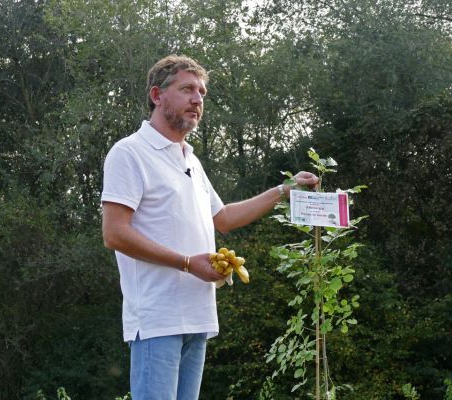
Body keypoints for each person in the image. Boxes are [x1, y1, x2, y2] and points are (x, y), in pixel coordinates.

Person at [101, 54, 318, 400]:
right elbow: (114, 233)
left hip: (198, 318)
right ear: (157, 95)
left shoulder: (190, 159)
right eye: (187, 89)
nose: (197, 99)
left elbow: (224, 218)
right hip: (158, 320)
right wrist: (188, 263)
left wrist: (283, 191)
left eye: (201, 92)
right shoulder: (129, 153)